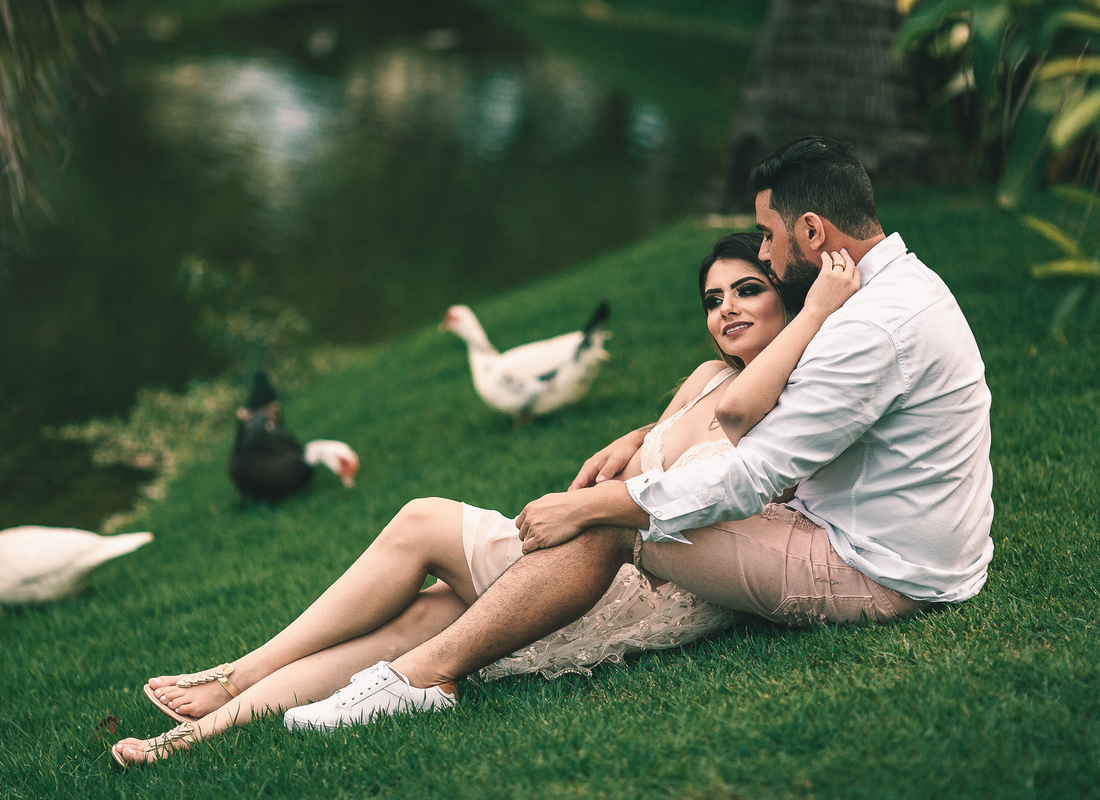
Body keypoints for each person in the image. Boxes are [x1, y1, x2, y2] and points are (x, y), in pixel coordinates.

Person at [281, 136, 994, 732]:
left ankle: (420, 677)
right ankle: (402, 667)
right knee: (629, 506)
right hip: (907, 546)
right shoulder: (904, 285)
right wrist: (646, 434)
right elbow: (743, 414)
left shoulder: (868, 326)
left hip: (876, 571)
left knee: (621, 523)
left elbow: (752, 475)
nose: (769, 261)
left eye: (772, 241)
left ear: (813, 232)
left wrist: (592, 505)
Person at [110, 231, 859, 766]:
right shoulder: (708, 376)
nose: (726, 307)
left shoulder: (788, 399)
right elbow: (674, 436)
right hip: (583, 552)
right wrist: (634, 437)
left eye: (749, 290)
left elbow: (724, 463)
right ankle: (196, 735)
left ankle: (234, 677)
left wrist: (819, 311)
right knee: (414, 616)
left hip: (630, 581)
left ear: (786, 303)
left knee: (421, 520)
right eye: (712, 297)